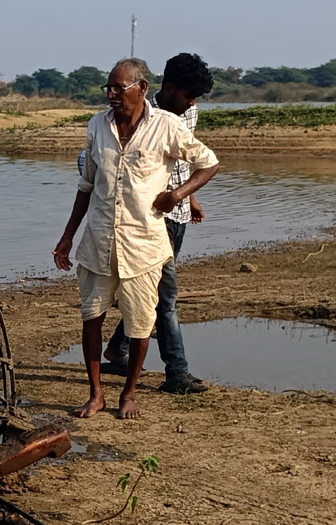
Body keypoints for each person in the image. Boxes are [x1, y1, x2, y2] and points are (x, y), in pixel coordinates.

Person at [53, 58, 219, 419]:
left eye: (119, 88)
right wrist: (67, 236)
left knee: (142, 322)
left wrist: (179, 195)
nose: (112, 94)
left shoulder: (167, 125)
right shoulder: (97, 126)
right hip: (98, 241)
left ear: (141, 87)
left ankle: (128, 393)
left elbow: (208, 163)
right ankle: (96, 394)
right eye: (108, 88)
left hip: (144, 244)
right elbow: (86, 185)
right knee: (91, 316)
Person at [102, 53, 214, 394]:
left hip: (177, 216)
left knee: (150, 292)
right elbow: (98, 162)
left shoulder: (188, 113)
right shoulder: (137, 112)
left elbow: (185, 160)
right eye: (188, 95)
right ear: (169, 88)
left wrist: (187, 197)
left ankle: (118, 349)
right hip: (150, 221)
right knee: (165, 298)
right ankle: (176, 372)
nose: (192, 103)